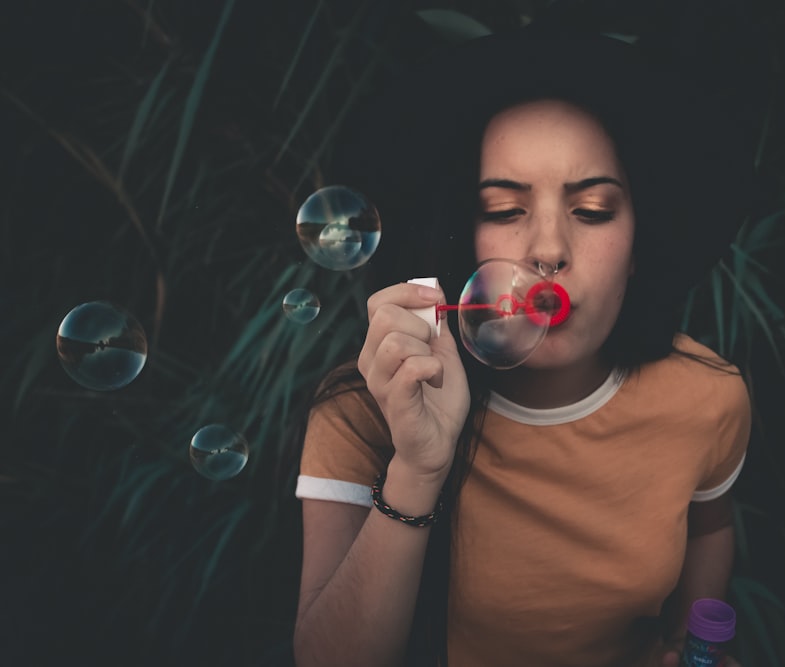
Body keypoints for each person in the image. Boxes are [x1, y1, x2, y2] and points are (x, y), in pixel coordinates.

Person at [293, 19, 755, 667]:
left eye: (592, 209)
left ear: (638, 248)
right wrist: (418, 468)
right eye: (505, 211)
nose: (547, 249)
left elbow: (711, 526)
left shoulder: (706, 396)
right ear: (460, 238)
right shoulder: (364, 409)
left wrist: (685, 643)